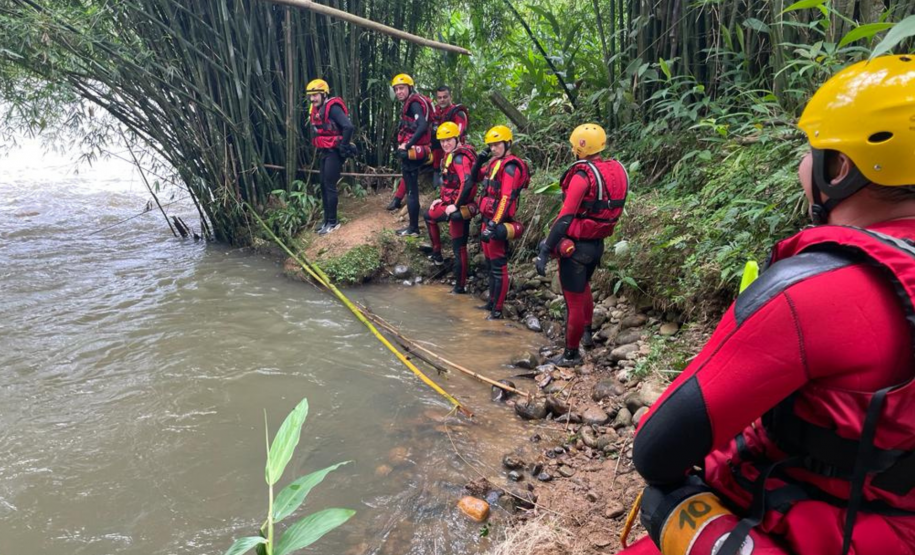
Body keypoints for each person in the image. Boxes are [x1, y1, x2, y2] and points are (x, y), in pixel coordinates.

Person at [624, 55, 915, 555]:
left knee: (665, 503)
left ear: (839, 168)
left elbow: (657, 450)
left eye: (812, 149)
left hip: (834, 527)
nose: (804, 163)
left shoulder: (815, 291)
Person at [534, 124, 628, 366]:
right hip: (597, 245)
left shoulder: (583, 175)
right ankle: (586, 333)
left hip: (575, 249)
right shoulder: (615, 170)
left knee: (573, 301)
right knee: (584, 286)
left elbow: (565, 216)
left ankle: (571, 354)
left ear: (579, 148)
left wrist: (546, 249)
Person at [475, 125, 530, 320]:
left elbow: (506, 198)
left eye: (497, 144)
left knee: (499, 266)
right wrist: (478, 161)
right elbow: (475, 177)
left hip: (499, 222)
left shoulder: (510, 167)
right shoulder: (493, 163)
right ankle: (491, 303)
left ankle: (497, 310)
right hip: (488, 218)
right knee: (490, 264)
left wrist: (493, 225)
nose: (493, 148)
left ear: (507, 144)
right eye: (491, 145)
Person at [388, 85, 469, 211]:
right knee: (409, 165)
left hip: (450, 152)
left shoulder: (457, 112)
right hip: (433, 149)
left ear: (450, 97)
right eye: (439, 97)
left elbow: (459, 132)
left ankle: (444, 200)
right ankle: (398, 198)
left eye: (445, 97)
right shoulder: (434, 110)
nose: (442, 100)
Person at [423, 122, 478, 293]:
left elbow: (467, 183)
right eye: (443, 141)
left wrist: (455, 205)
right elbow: (449, 183)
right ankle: (437, 254)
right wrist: (440, 200)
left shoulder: (460, 158)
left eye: (449, 140)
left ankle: (459, 287)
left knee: (459, 247)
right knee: (429, 215)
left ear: (456, 139)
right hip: (450, 203)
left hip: (460, 207)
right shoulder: (449, 155)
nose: (445, 144)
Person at [306, 78, 356, 235]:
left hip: (334, 151)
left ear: (324, 94)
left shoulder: (332, 108)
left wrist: (343, 147)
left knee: (329, 185)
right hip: (325, 150)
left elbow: (348, 126)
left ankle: (333, 223)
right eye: (311, 96)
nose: (313, 99)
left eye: (316, 95)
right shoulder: (316, 109)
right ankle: (326, 221)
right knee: (322, 184)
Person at [389, 73, 434, 237]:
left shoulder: (414, 103)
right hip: (414, 150)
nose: (399, 92)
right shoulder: (414, 101)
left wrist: (407, 145)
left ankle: (413, 228)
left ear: (410, 87)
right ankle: (412, 227)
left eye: (402, 88)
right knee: (411, 190)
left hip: (413, 151)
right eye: (396, 89)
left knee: (412, 191)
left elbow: (422, 125)